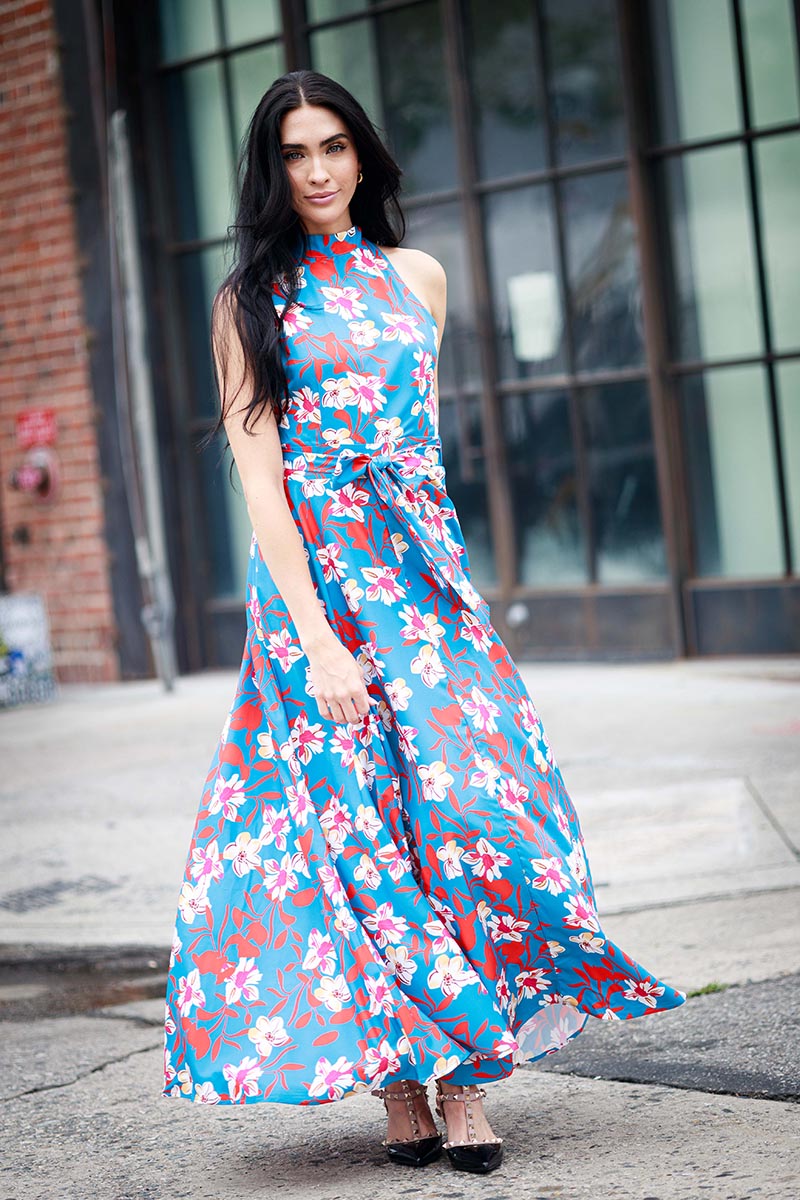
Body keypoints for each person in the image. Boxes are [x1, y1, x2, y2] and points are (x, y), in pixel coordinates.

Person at [162, 69, 686, 1175]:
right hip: (320, 594)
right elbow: (261, 481)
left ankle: (463, 1079)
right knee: (356, 827)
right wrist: (313, 636)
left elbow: (415, 454)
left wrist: (443, 588)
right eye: (296, 153)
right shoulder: (246, 302)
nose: (316, 171)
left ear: (363, 156)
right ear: (272, 170)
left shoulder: (420, 279)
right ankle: (407, 1087)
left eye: (334, 148)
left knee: (461, 807)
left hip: (425, 588)